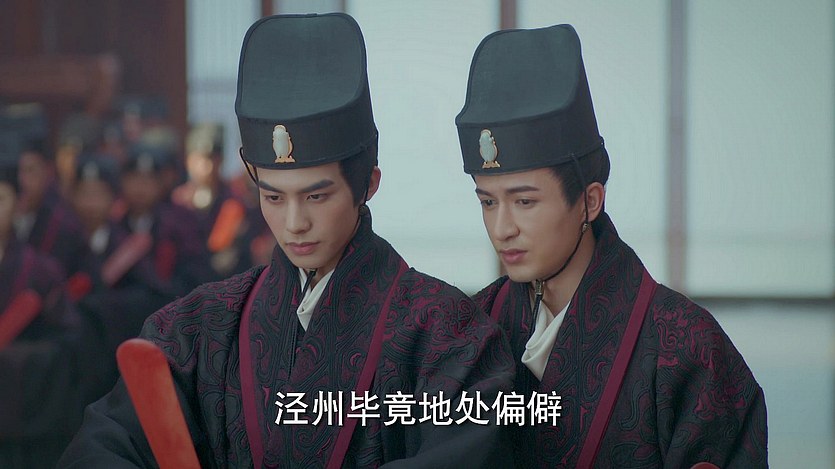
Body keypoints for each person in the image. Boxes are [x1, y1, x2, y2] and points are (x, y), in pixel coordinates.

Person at [60, 13, 514, 468]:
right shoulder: (199, 328)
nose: (294, 223)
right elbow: (104, 446)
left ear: (368, 184)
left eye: (316, 196)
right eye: (273, 196)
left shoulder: (445, 333)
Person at [454, 24, 767, 468]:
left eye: (524, 201)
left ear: (589, 200)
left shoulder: (687, 347)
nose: (502, 228)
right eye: (488, 202)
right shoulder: (472, 328)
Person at [0, 133, 90, 469]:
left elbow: (67, 343)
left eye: (0, 198)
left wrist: (15, 360)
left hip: (22, 418)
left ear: (17, 203)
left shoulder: (40, 271)